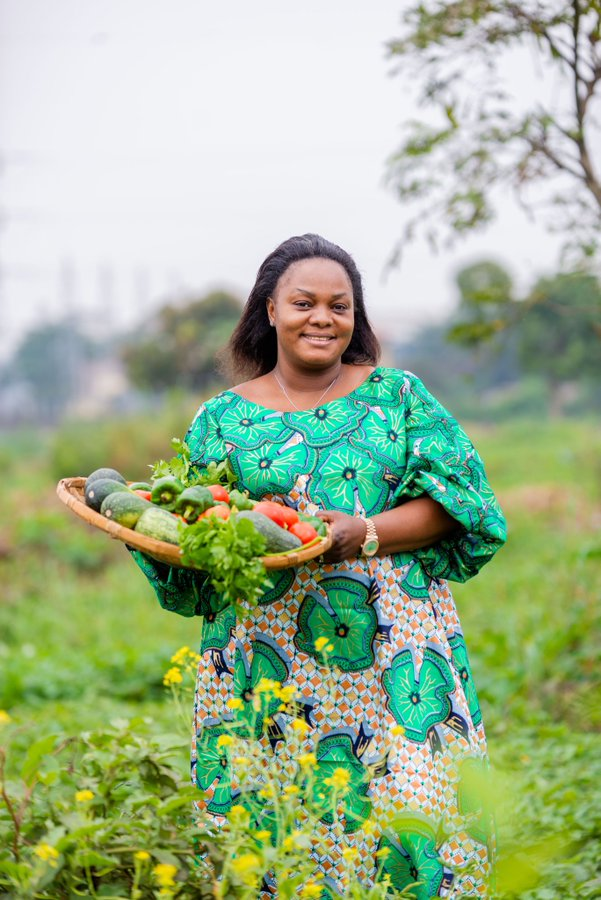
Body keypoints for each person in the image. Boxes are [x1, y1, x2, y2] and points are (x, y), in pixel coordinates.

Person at [130, 233, 507, 898]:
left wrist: (361, 532)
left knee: (408, 815)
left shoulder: (399, 397)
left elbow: (463, 505)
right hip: (266, 657)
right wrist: (152, 528)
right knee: (284, 826)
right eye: (303, 302)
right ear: (269, 310)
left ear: (356, 318)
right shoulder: (222, 419)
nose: (322, 317)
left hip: (395, 651)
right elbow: (195, 534)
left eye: (340, 305)